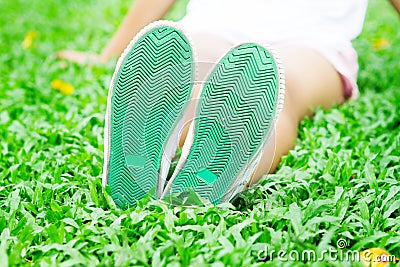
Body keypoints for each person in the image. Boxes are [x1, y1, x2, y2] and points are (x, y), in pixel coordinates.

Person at [58, 0, 400, 207]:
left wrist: (109, 53)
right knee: (284, 93)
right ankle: (209, 173)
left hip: (227, 26)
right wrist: (106, 53)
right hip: (310, 44)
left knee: (201, 73)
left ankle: (146, 157)